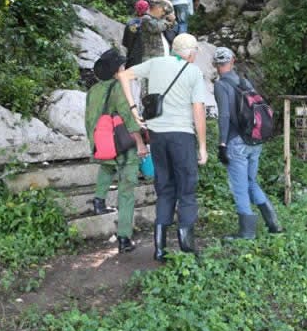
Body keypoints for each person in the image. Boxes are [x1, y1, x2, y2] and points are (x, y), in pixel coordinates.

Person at [119, 33, 208, 262]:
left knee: (165, 187)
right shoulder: (194, 72)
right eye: (195, 52)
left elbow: (124, 75)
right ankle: (187, 247)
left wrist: (133, 109)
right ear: (190, 53)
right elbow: (198, 110)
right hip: (182, 136)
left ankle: (159, 249)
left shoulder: (156, 63)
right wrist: (202, 146)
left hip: (157, 135)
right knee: (186, 189)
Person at [212, 47, 283, 240]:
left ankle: (247, 232)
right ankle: (273, 223)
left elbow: (225, 115)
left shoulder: (221, 85)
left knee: (239, 186)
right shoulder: (245, 81)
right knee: (251, 181)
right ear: (232, 61)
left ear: (215, 64)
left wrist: (222, 144)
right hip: (255, 140)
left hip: (237, 142)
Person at [85, 49, 149, 253]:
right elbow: (128, 117)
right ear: (115, 71)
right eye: (122, 66)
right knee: (127, 192)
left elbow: (89, 119)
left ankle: (99, 199)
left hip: (103, 142)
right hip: (123, 145)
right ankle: (124, 237)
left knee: (106, 166)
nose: (125, 68)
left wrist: (95, 143)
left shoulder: (93, 90)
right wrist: (140, 142)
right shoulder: (120, 88)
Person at [122, 0, 149, 68]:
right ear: (146, 10)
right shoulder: (150, 24)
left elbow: (126, 42)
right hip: (144, 57)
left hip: (132, 56)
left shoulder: (130, 23)